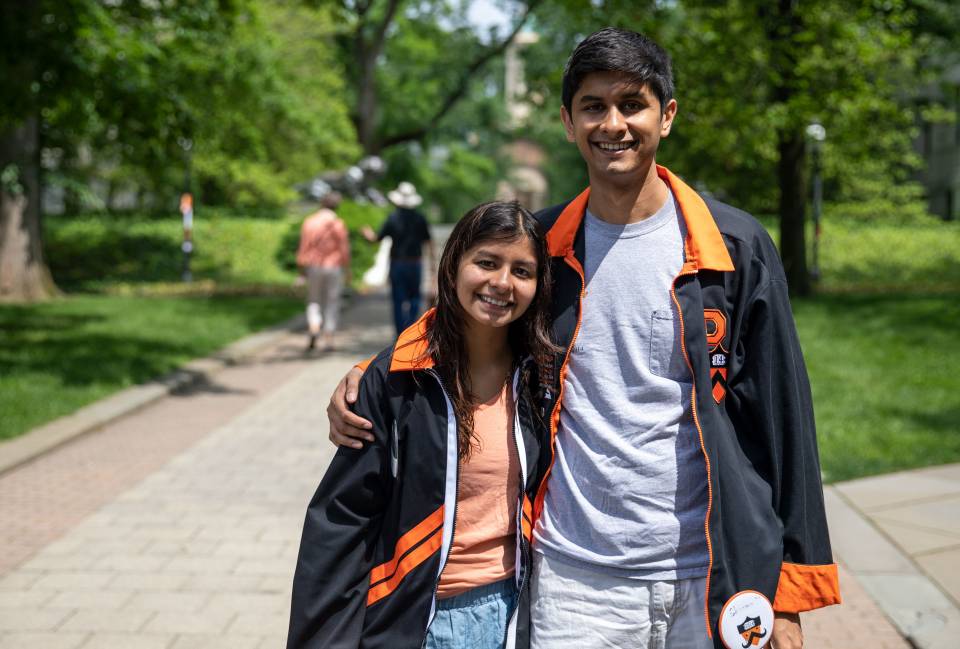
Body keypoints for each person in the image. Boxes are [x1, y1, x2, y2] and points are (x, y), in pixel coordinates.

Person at [327, 28, 840, 649]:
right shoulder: (542, 249)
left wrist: (790, 595)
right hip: (576, 583)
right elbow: (461, 322)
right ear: (568, 122)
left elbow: (785, 418)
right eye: (593, 106)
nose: (613, 124)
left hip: (713, 572)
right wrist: (372, 375)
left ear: (666, 116)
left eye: (632, 104)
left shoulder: (734, 247)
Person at [288, 201, 556, 649]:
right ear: (453, 267)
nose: (502, 282)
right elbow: (343, 520)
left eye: (521, 271)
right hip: (418, 621)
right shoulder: (398, 380)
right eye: (487, 263)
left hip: (522, 618)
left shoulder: (543, 378)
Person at [362, 181, 435, 335]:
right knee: (415, 298)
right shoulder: (420, 218)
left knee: (398, 300)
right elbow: (429, 242)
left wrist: (368, 235)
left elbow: (377, 238)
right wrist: (433, 265)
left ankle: (400, 333)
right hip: (415, 263)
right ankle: (411, 330)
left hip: (397, 264)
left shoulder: (393, 217)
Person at [297, 192, 350, 351]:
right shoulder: (337, 223)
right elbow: (343, 249)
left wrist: (301, 270)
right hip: (333, 266)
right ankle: (329, 336)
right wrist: (347, 268)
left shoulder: (310, 222)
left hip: (314, 266)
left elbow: (304, 247)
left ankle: (314, 328)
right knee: (332, 301)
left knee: (313, 300)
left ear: (321, 203)